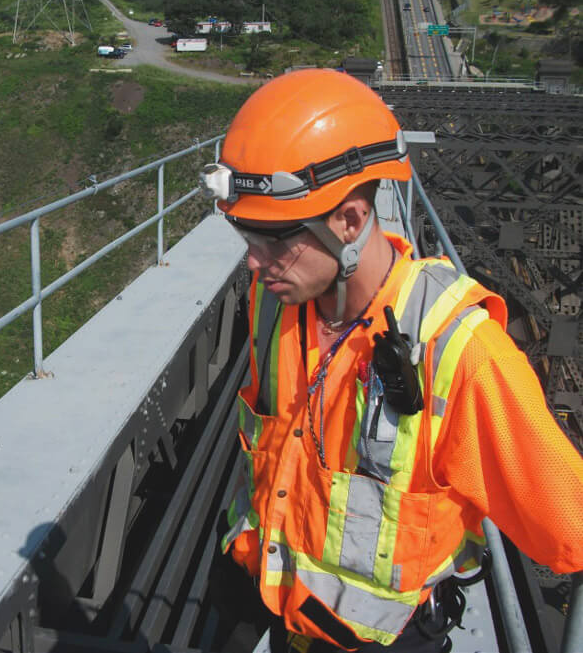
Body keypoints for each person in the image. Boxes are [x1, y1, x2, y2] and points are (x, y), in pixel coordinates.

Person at [199, 68, 583, 652]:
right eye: (247, 239)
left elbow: (572, 521)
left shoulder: (461, 352)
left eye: (274, 241)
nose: (255, 263)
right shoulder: (274, 304)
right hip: (277, 605)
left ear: (349, 220)